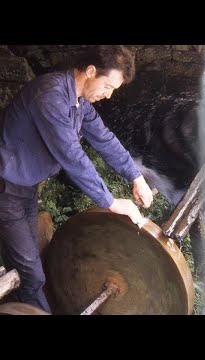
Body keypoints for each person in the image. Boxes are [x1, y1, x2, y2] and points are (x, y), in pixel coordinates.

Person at [0, 45, 154, 313]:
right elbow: (72, 157)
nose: (107, 95)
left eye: (113, 91)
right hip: (6, 188)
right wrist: (112, 202)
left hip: (25, 186)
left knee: (26, 260)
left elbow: (103, 139)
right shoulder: (50, 96)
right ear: (91, 71)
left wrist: (136, 176)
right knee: (31, 274)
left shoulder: (79, 102)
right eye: (107, 87)